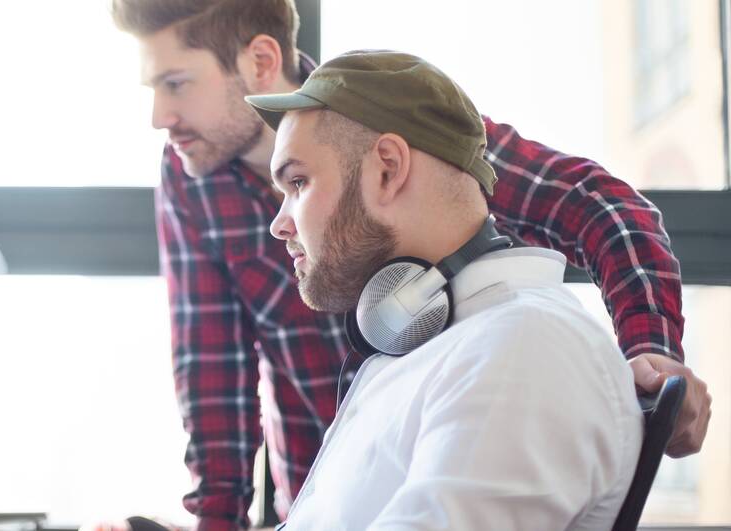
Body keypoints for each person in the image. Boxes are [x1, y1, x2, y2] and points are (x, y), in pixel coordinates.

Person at [108, 1, 712, 528]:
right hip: (325, 488)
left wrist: (652, 356)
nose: (159, 116)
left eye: (176, 83)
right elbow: (212, 379)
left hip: (450, 440)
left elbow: (599, 208)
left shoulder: (390, 120)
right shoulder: (190, 178)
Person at [249, 49, 643, 529]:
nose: (279, 224)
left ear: (388, 169)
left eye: (298, 182)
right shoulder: (445, 343)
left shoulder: (525, 345)